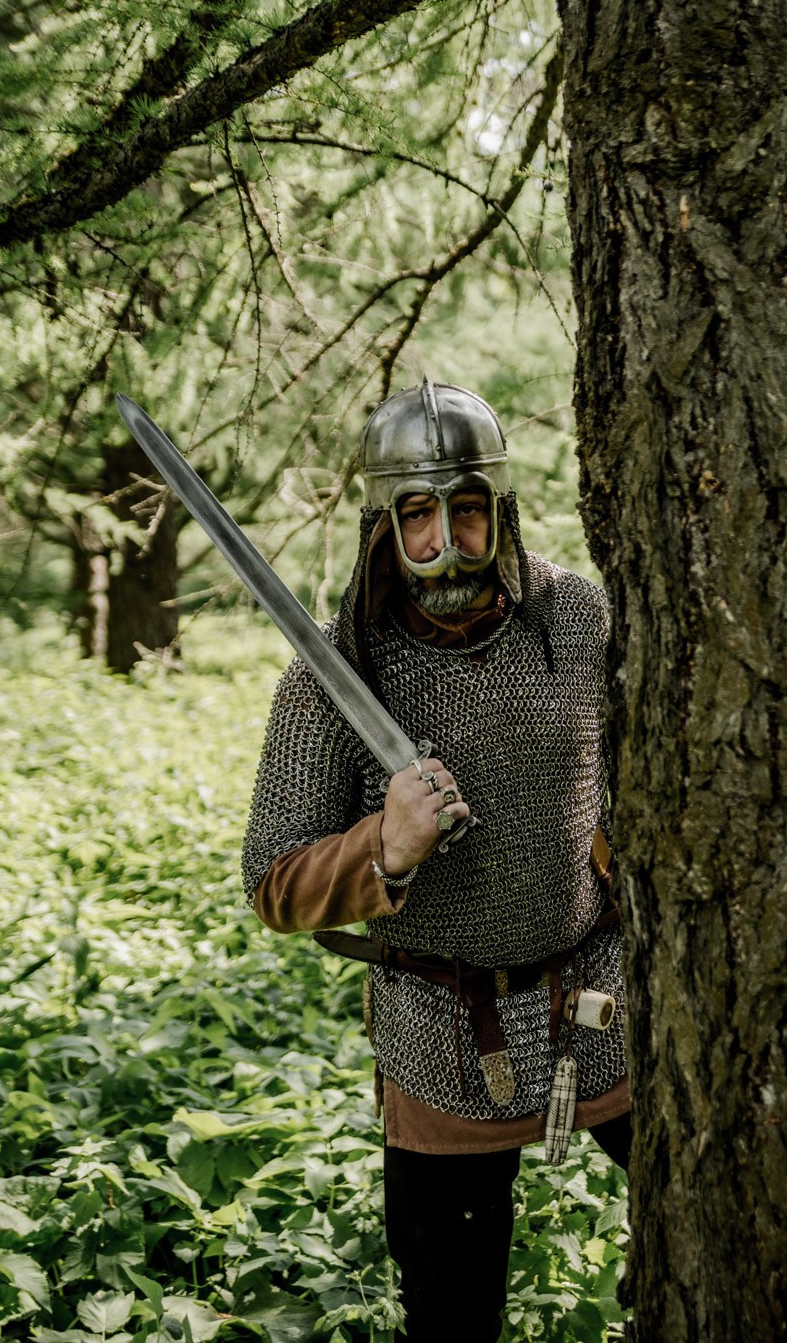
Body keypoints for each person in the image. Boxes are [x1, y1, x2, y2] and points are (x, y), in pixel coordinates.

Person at [241, 380, 630, 1342]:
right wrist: (386, 845)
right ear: (386, 525)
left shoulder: (578, 624)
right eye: (419, 515)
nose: (447, 542)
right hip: (446, 1030)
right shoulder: (332, 679)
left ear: (498, 509)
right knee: (452, 1313)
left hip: (603, 995)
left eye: (465, 511)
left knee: (714, 1218)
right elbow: (274, 885)